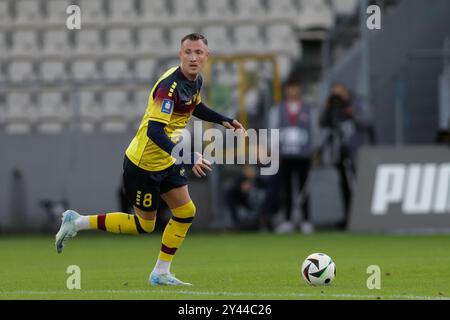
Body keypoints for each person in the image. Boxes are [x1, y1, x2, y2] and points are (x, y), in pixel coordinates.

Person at [55, 33, 246, 286]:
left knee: (186, 211)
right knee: (144, 226)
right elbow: (154, 132)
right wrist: (188, 158)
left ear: (206, 57)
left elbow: (194, 107)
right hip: (143, 164)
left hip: (167, 159)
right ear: (180, 54)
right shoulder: (169, 88)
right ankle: (77, 222)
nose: (192, 57)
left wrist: (224, 119)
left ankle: (161, 273)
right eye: (188, 52)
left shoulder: (195, 81)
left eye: (198, 52)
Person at [319, 83, 374, 229]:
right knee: (344, 187)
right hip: (341, 151)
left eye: (339, 93)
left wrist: (352, 112)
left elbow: (368, 121)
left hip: (358, 152)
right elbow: (323, 124)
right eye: (334, 94)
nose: (338, 97)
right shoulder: (333, 107)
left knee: (362, 185)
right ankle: (349, 217)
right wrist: (327, 108)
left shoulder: (358, 102)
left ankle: (366, 216)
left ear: (345, 91)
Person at [270, 78, 315, 234]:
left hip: (304, 155)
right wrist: (274, 151)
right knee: (286, 189)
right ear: (286, 90)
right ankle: (288, 220)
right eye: (290, 88)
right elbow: (273, 131)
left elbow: (315, 130)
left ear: (300, 89)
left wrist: (314, 150)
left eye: (295, 88)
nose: (293, 91)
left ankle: (306, 220)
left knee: (304, 189)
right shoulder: (278, 109)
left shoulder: (309, 109)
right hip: (285, 155)